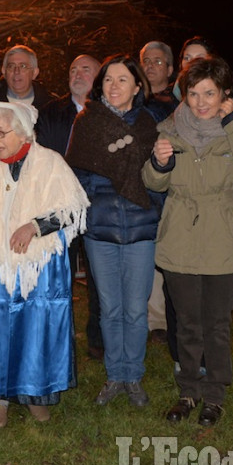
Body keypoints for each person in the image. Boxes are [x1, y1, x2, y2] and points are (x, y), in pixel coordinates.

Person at [142, 56, 233, 426]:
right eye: (193, 93)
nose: (200, 101)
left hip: (223, 237)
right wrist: (159, 163)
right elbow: (153, 183)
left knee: (216, 323)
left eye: (209, 93)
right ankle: (188, 391)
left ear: (225, 95)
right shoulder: (169, 129)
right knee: (186, 322)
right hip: (180, 235)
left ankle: (214, 394)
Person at [0, 101, 88, 428]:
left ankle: (35, 395)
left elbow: (73, 210)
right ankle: (1, 396)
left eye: (2, 133)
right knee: (0, 326)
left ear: (23, 131)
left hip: (40, 265)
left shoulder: (51, 163)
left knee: (37, 327)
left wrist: (34, 226)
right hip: (0, 266)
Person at [67, 54, 163, 407]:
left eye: (123, 79)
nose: (114, 86)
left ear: (138, 86)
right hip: (100, 229)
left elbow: (160, 179)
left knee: (136, 308)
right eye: (109, 79)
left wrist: (153, 208)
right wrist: (93, 203)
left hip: (141, 227)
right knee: (109, 308)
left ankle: (133, 375)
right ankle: (114, 374)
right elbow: (76, 176)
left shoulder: (150, 124)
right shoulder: (87, 122)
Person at [37, 54, 104, 360]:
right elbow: (45, 157)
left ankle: (98, 340)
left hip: (98, 203)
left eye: (85, 69)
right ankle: (57, 339)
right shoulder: (51, 112)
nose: (77, 74)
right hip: (60, 204)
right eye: (72, 69)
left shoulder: (108, 112)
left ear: (100, 75)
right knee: (58, 275)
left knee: (98, 277)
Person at [140, 41, 177, 121]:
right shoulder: (129, 97)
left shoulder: (177, 105)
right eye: (146, 61)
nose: (150, 65)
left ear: (169, 70)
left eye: (157, 61)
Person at [171, 36, 214, 101]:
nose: (191, 63)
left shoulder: (221, 95)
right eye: (187, 58)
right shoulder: (170, 96)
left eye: (199, 59)